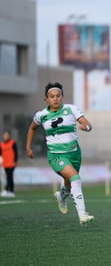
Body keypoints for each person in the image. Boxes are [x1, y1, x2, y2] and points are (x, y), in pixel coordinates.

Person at [26, 82, 94, 225]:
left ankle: (61, 196)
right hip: (56, 156)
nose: (55, 99)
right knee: (75, 178)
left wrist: (85, 127)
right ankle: (82, 215)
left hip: (74, 153)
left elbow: (88, 124)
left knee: (69, 184)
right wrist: (28, 147)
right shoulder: (41, 115)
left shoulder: (71, 109)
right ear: (46, 99)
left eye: (58, 96)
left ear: (62, 97)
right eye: (52, 96)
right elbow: (32, 128)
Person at [0, 131, 18, 197]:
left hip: (11, 163)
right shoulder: (1, 144)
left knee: (9, 177)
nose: (6, 136)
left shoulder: (12, 143)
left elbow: (16, 153)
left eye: (7, 135)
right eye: (5, 135)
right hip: (5, 164)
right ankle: (9, 191)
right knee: (7, 177)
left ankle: (9, 190)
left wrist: (15, 161)